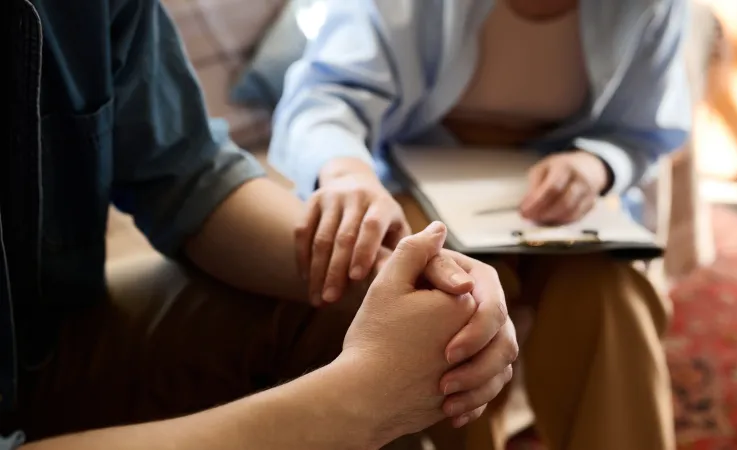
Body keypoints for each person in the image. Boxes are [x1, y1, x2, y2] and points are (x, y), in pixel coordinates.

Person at [1, 0, 519, 448]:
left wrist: (394, 277)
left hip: (46, 341)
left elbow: (187, 176)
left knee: (364, 311)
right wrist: (355, 403)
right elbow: (324, 100)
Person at [267, 0, 691, 448]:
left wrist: (597, 164)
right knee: (448, 302)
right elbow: (326, 97)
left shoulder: (653, 7)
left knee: (614, 294)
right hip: (419, 177)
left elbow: (642, 131)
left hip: (559, 197)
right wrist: (346, 173)